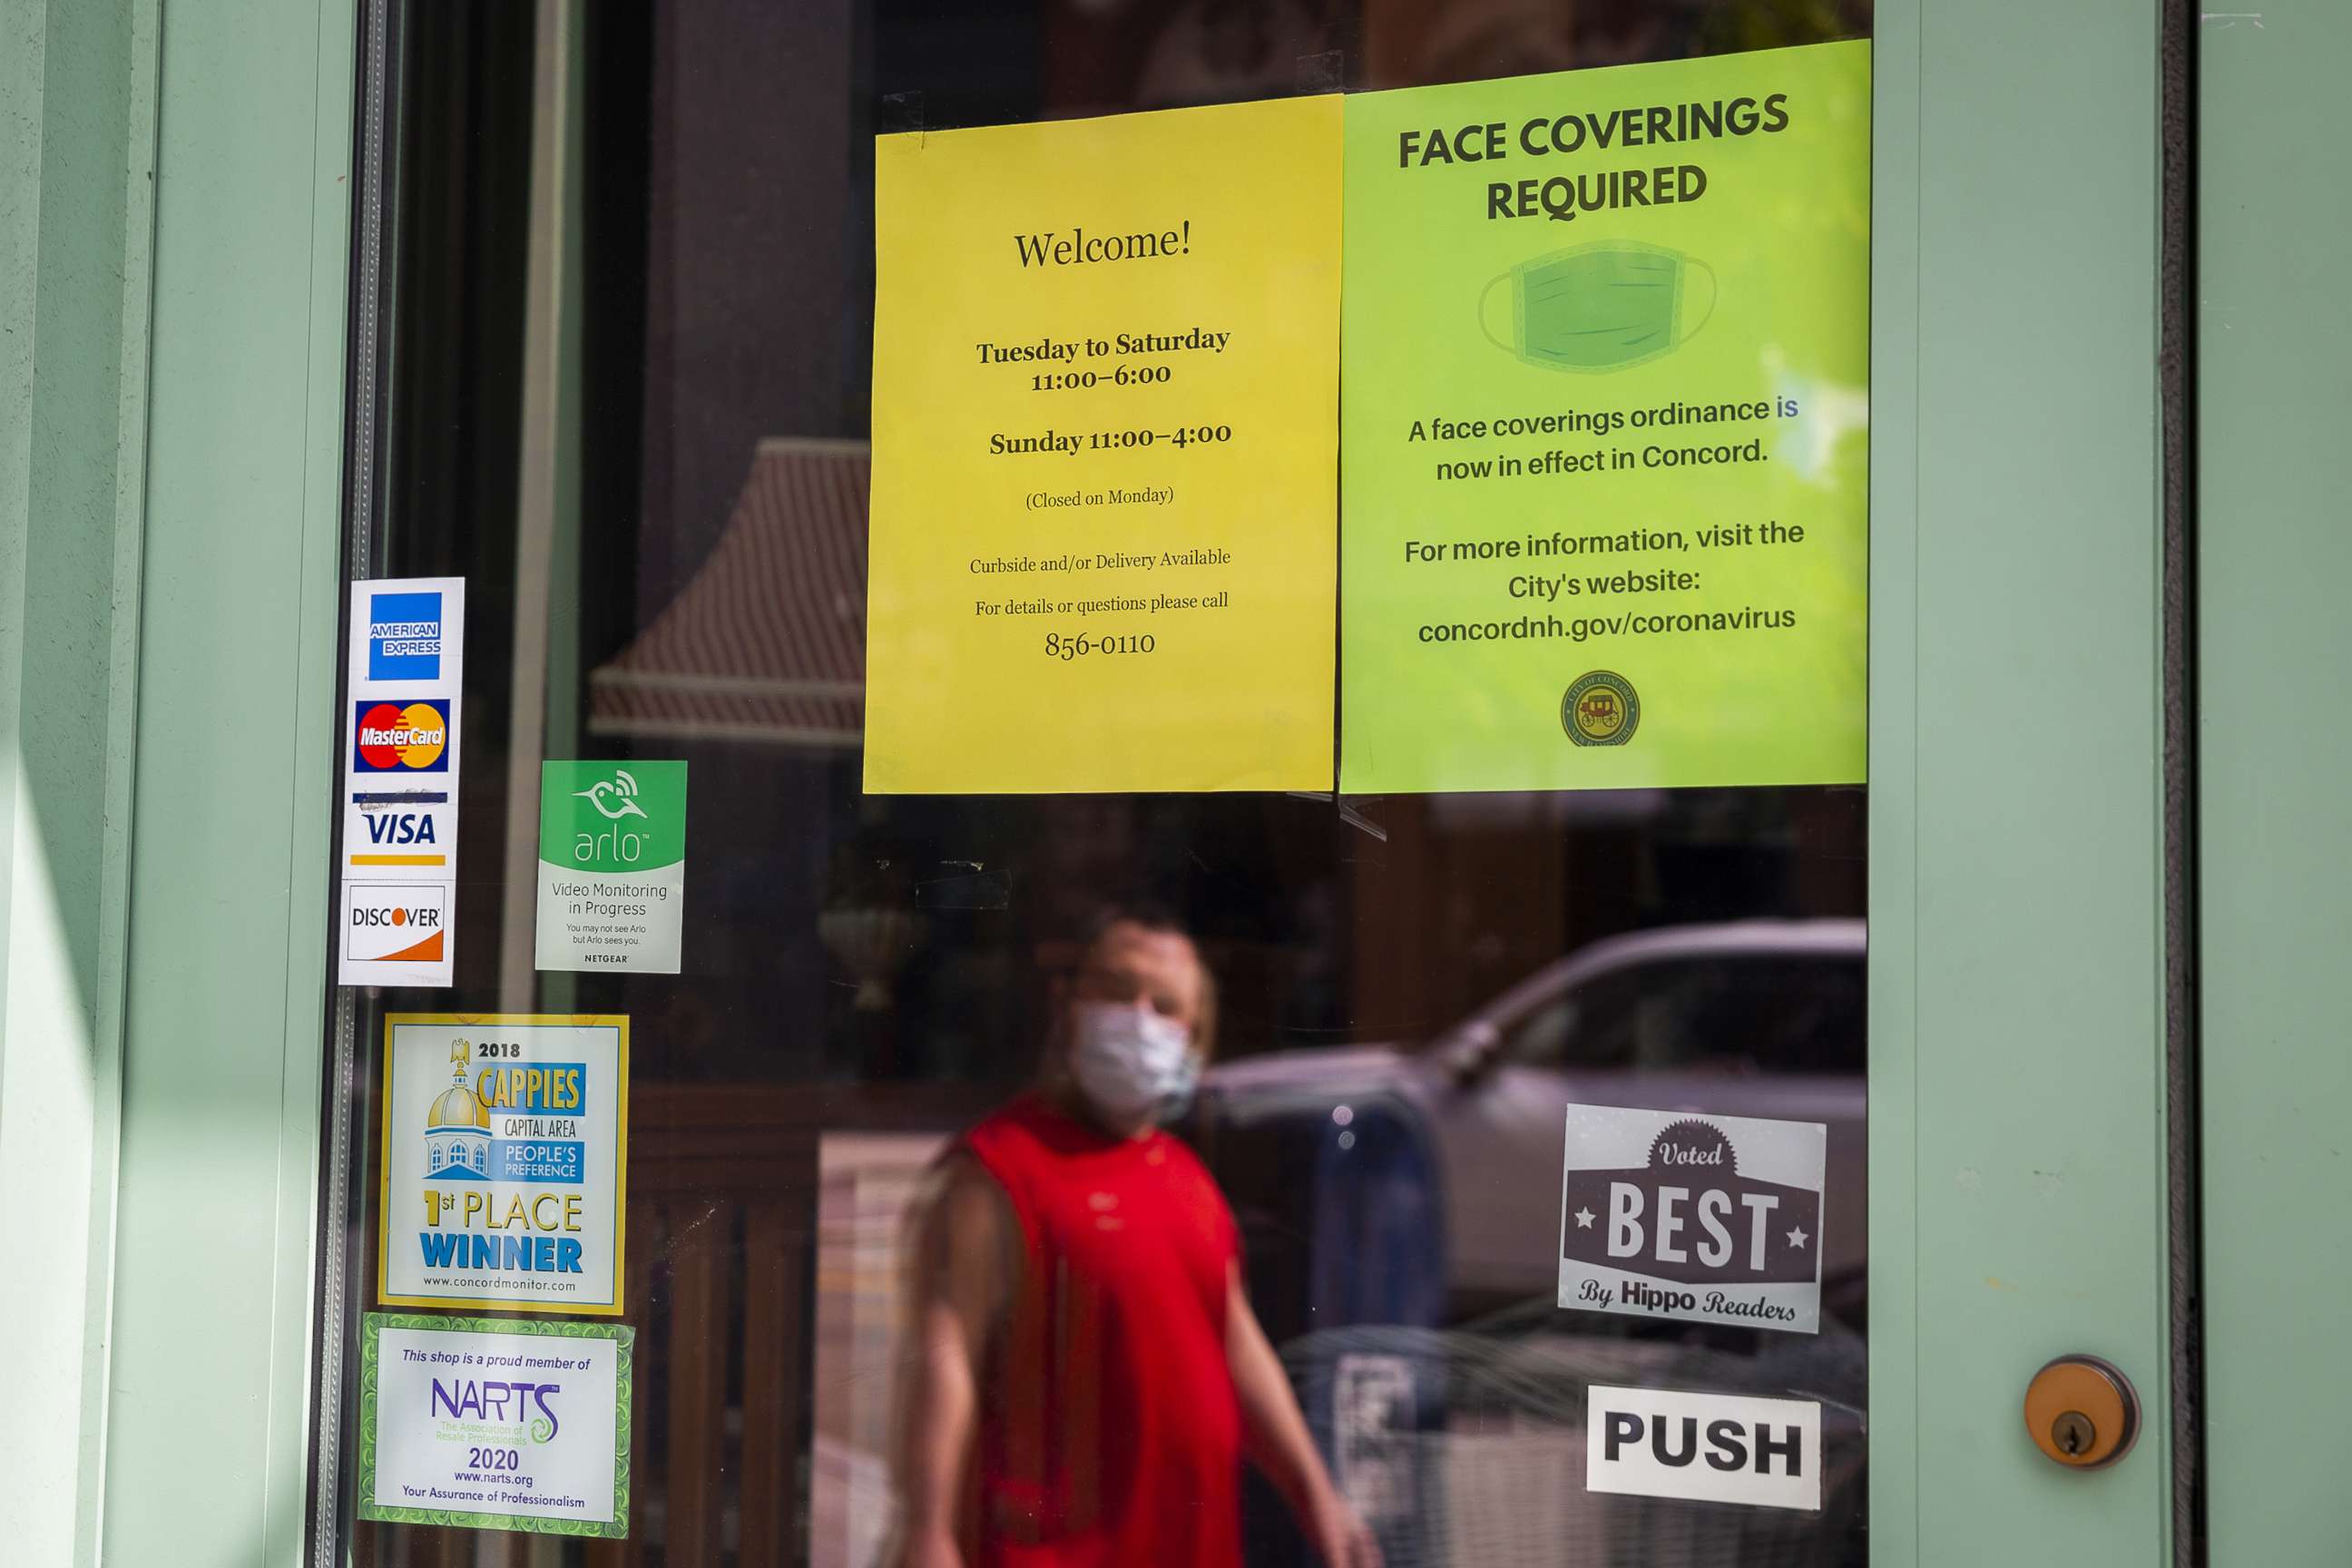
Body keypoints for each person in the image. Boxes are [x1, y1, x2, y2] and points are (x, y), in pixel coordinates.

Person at [890, 908, 1380, 1568]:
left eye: (1165, 1004)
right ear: (1070, 1006)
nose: (1139, 1017)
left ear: (1194, 1040)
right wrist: (929, 1533)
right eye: (1117, 991)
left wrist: (1315, 1494)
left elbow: (1234, 1344)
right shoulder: (1000, 1171)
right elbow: (946, 1353)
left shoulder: (1186, 1178)